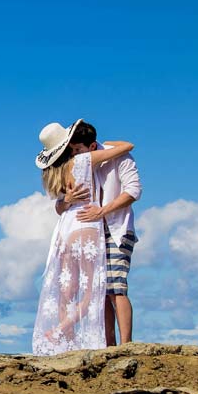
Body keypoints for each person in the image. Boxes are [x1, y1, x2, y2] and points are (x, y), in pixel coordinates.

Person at [32, 120, 134, 355]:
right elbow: (127, 146)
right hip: (86, 226)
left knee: (67, 290)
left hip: (64, 231)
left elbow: (59, 207)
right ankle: (60, 330)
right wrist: (108, 144)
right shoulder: (81, 160)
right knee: (92, 291)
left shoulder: (52, 173)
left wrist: (66, 199)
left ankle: (66, 342)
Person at [56, 121, 142, 345]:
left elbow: (133, 191)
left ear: (92, 146)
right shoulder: (79, 166)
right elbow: (59, 204)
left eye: (77, 150)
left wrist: (102, 212)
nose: (74, 155)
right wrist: (67, 200)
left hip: (116, 229)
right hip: (91, 234)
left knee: (116, 287)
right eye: (71, 151)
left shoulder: (120, 159)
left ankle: (126, 344)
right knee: (101, 291)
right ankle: (109, 344)